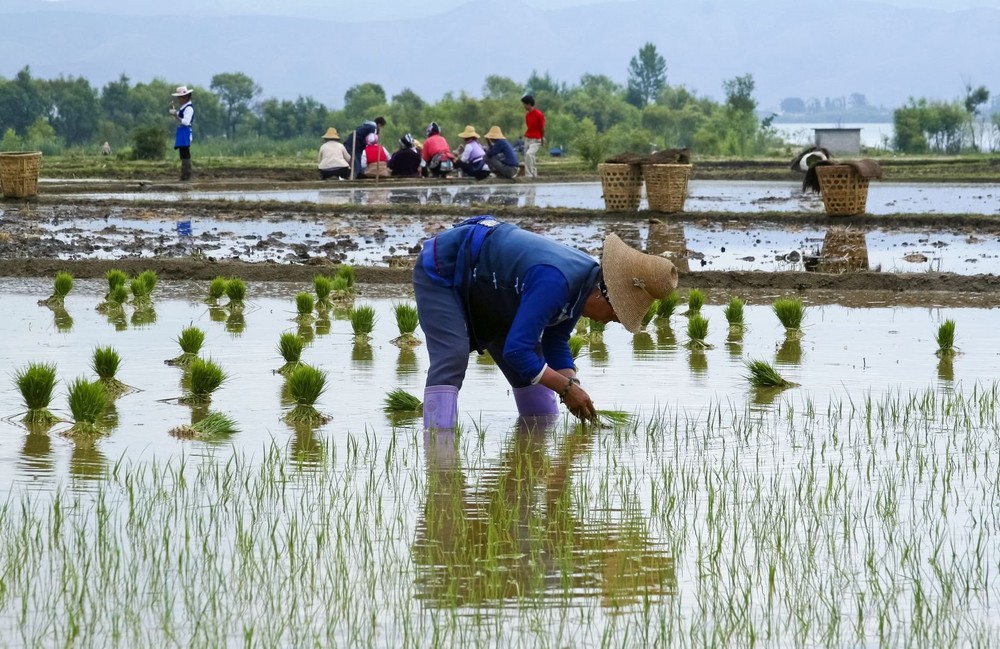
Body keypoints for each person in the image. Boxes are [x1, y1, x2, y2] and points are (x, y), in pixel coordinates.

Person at [413, 216, 679, 431]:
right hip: (445, 270)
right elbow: (517, 352)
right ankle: (439, 453)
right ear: (603, 295)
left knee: (532, 377)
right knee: (453, 357)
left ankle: (535, 452)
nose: (610, 321)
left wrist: (572, 385)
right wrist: (564, 388)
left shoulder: (583, 282)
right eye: (615, 314)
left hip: (493, 289)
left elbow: (556, 340)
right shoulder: (557, 282)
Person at [169, 86, 194, 181]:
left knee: (185, 152)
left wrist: (176, 116)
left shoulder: (189, 108)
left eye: (179, 97)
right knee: (183, 153)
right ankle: (184, 175)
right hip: (182, 131)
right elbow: (179, 119)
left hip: (185, 131)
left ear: (185, 97)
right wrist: (175, 115)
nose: (178, 99)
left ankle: (186, 175)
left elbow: (186, 122)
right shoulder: (184, 108)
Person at [521, 94, 545, 178]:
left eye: (524, 104)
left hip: (537, 139)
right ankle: (534, 175)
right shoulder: (527, 115)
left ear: (529, 104)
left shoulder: (538, 114)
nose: (523, 106)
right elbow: (529, 126)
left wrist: (542, 139)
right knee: (529, 157)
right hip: (528, 137)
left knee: (529, 154)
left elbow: (542, 128)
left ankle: (529, 175)